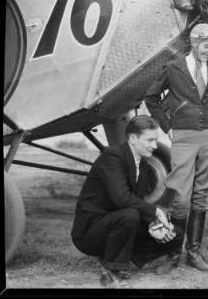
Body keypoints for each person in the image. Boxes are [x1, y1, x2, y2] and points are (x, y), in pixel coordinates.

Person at [144, 23, 208, 271]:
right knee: (180, 196)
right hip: (183, 137)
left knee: (201, 195)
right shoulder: (174, 68)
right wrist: (167, 126)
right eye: (206, 46)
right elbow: (152, 98)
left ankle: (193, 252)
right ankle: (173, 254)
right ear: (195, 43)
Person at [71, 115, 183, 288]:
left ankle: (120, 257)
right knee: (129, 215)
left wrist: (153, 224)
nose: (155, 146)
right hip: (90, 232)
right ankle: (111, 271)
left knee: (176, 233)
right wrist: (155, 212)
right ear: (133, 138)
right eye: (150, 140)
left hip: (119, 225)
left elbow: (135, 202)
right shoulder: (111, 157)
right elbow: (121, 198)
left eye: (156, 140)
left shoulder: (144, 166)